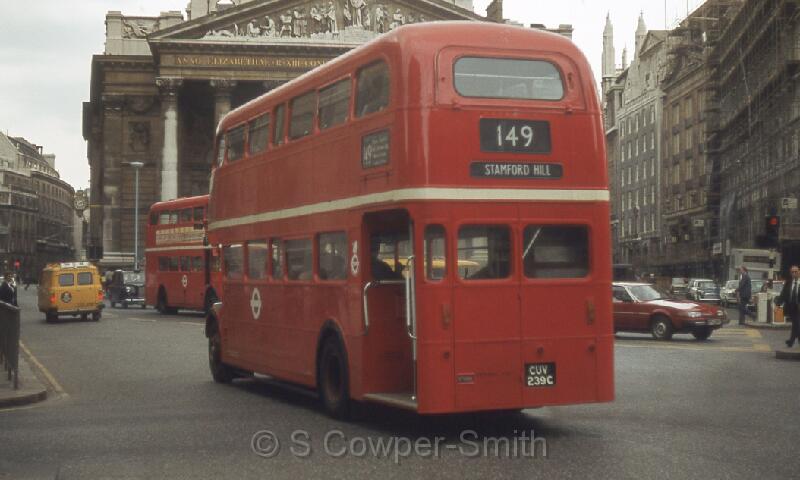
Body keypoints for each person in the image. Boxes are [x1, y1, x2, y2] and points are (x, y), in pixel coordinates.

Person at [775, 265, 800, 348]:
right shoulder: (788, 282)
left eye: (796, 271)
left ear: (799, 272)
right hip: (792, 307)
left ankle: (791, 341)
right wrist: (778, 304)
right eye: (792, 272)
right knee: (796, 324)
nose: (794, 273)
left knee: (797, 324)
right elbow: (783, 294)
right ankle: (792, 340)